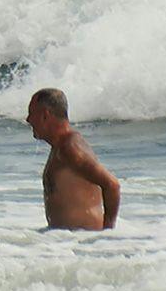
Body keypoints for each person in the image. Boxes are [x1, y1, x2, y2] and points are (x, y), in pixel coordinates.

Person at [26, 88, 121, 231]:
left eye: (31, 113)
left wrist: (107, 233)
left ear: (45, 115)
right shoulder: (60, 147)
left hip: (82, 242)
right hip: (67, 243)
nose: (28, 120)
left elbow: (112, 185)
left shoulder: (70, 149)